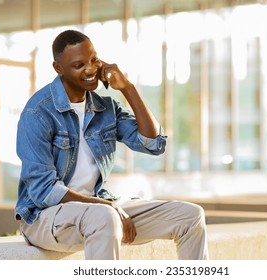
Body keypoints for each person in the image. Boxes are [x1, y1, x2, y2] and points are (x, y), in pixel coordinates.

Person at [14, 29, 208, 260]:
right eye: (79, 65)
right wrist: (109, 206)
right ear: (58, 69)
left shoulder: (105, 108)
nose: (90, 69)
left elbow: (153, 144)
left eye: (93, 60)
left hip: (100, 210)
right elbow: (44, 191)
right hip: (45, 218)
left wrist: (127, 88)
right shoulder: (37, 113)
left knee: (189, 216)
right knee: (104, 216)